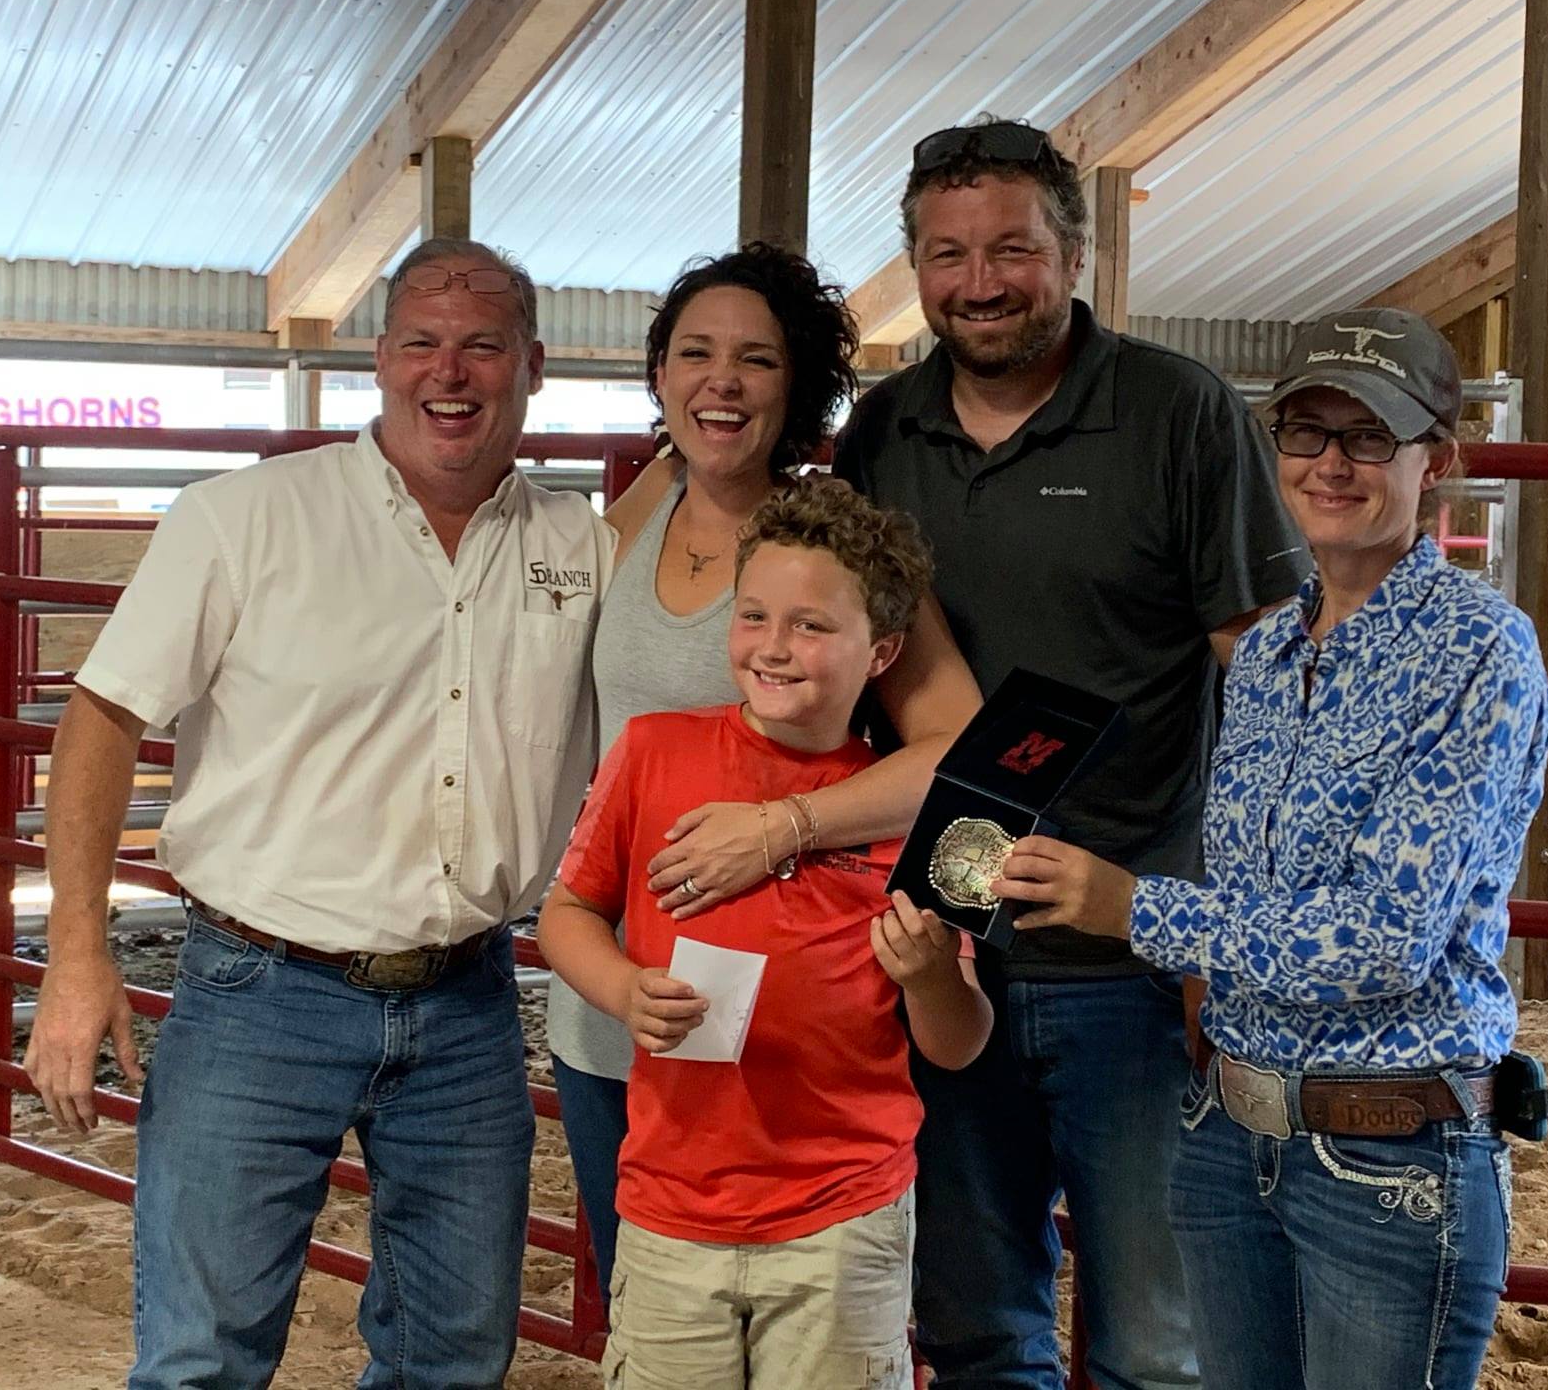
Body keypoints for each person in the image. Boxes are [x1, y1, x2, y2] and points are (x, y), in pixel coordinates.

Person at [24, 238, 611, 1388]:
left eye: (483, 345)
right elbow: (101, 719)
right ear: (381, 361)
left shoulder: (581, 549)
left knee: (453, 1358)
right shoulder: (244, 518)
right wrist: (76, 954)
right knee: (203, 1358)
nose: (452, 372)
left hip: (469, 1000)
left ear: (532, 364)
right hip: (258, 991)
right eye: (424, 343)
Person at [830, 118, 1311, 1390]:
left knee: (1161, 1334)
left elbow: (1263, 682)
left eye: (1012, 250)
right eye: (947, 254)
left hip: (1135, 953)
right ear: (916, 266)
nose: (979, 283)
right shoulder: (883, 434)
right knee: (979, 1320)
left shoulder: (1179, 412)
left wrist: (1219, 933)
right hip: (943, 944)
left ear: (1076, 253)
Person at [1004, 309, 1548, 1390]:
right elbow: (1252, 884)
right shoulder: (1261, 655)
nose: (1331, 464)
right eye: (1306, 433)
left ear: (1436, 458)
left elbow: (1385, 939)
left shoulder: (1478, 649)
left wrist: (1136, 908)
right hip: (1231, 1132)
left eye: (1369, 437)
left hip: (1390, 1147)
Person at [545, 242, 980, 1301]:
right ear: (659, 376)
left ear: (803, 387)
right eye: (693, 353)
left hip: (785, 1009)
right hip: (626, 989)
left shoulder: (830, 546)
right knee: (652, 1305)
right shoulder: (640, 505)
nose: (721, 383)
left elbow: (965, 750)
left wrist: (785, 825)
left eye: (757, 360)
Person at [538, 475, 993, 1390]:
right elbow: (568, 912)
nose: (774, 649)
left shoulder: (933, 815)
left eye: (813, 627)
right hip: (672, 1206)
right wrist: (623, 989)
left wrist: (933, 976)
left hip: (844, 1214)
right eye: (753, 617)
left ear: (883, 651)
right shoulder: (654, 749)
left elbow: (959, 1042)